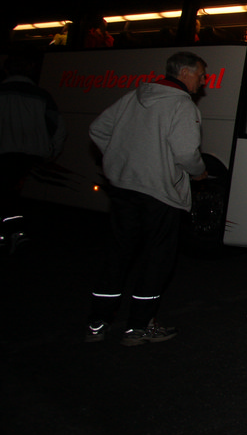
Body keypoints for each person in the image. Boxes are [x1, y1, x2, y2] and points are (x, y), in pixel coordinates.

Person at [85, 51, 209, 345]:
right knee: (157, 259)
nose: (203, 81)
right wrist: (199, 172)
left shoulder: (134, 96)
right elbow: (186, 153)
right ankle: (138, 327)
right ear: (185, 73)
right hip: (160, 194)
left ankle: (97, 323)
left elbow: (98, 129)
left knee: (118, 254)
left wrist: (120, 159)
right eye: (201, 75)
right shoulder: (182, 105)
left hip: (124, 189)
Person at [1, 53, 67, 250]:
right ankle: (16, 234)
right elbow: (59, 128)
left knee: (7, 195)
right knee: (14, 195)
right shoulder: (42, 95)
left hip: (4, 152)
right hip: (30, 155)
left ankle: (11, 235)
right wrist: (51, 151)